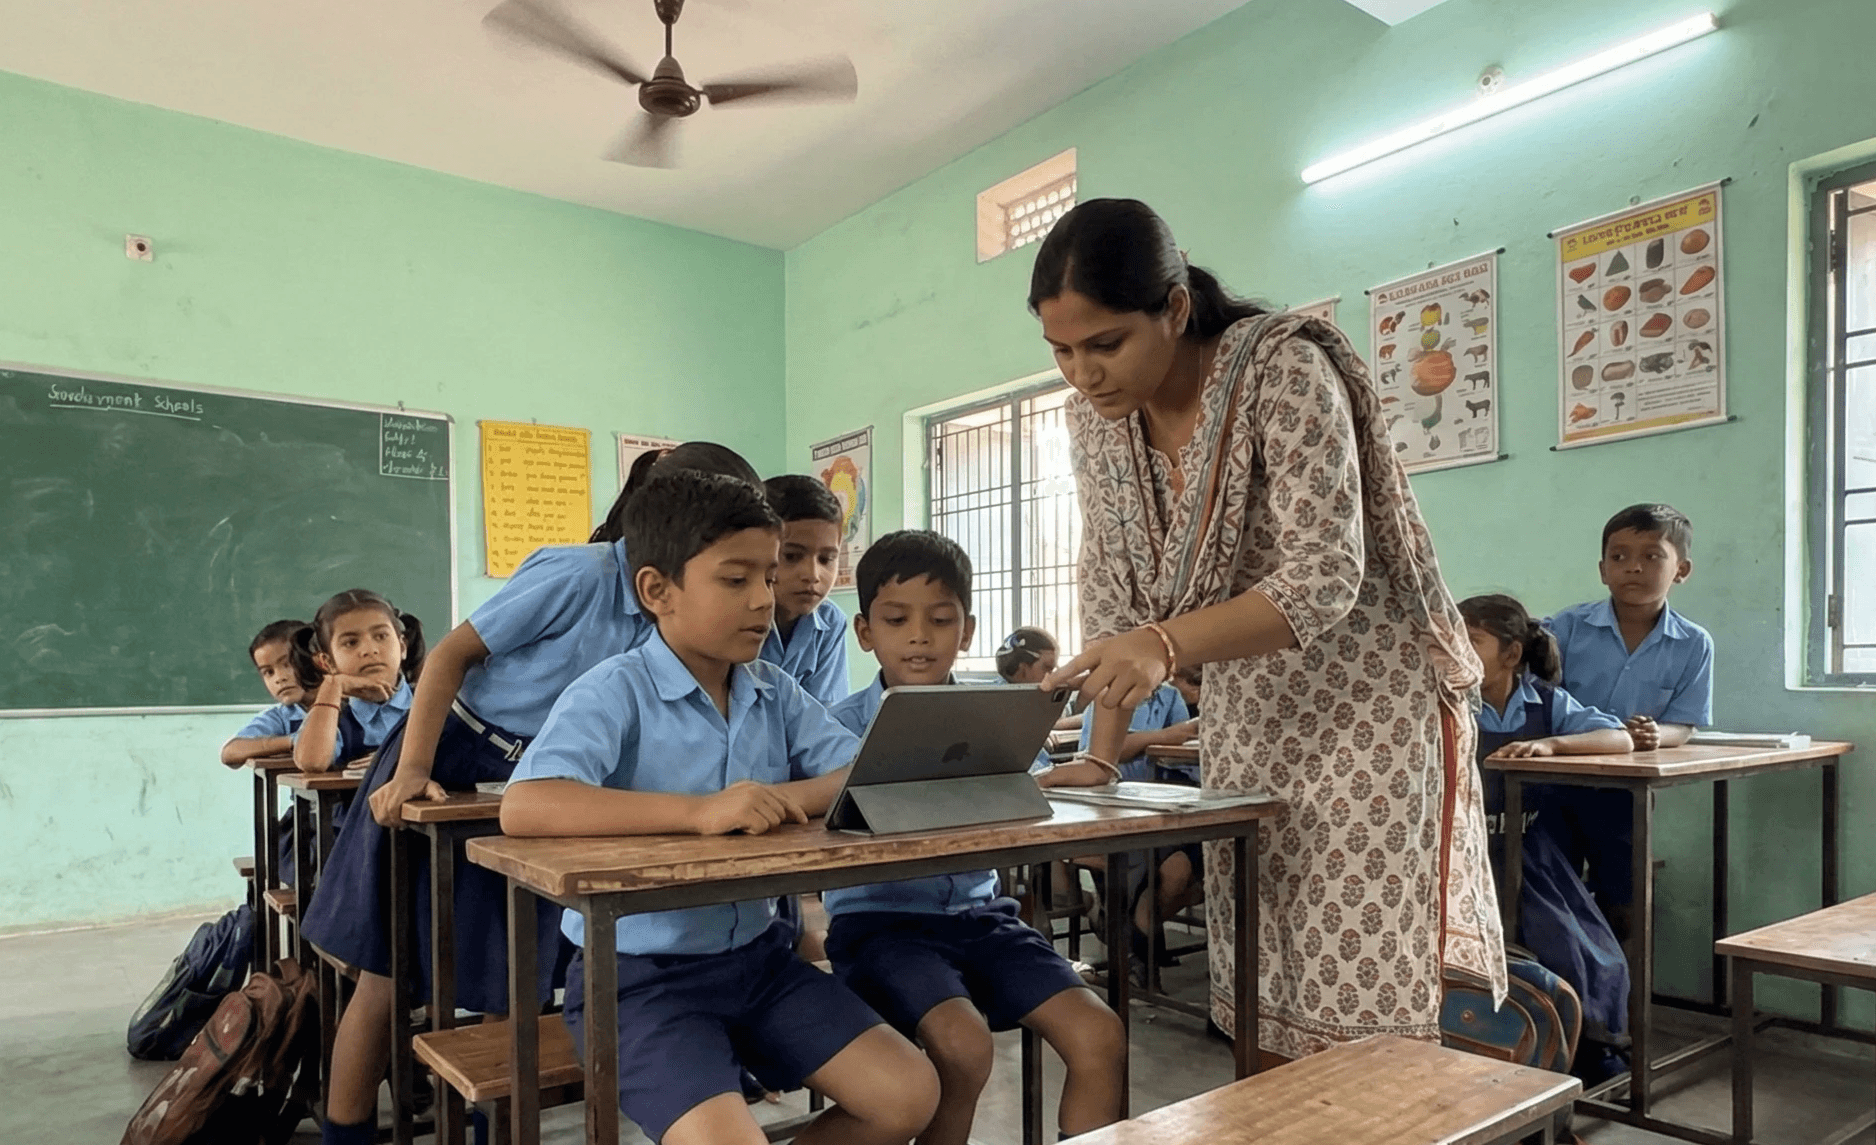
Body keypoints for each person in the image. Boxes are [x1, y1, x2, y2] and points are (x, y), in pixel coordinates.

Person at [1031, 198, 1504, 1061]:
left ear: (1174, 309)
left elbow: (1327, 572)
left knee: (1362, 982)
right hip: (1254, 711)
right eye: (1061, 350)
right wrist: (1102, 754)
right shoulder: (1095, 427)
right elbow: (1111, 600)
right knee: (1262, 963)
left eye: (1105, 344)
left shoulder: (1282, 370)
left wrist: (1168, 645)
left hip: (1367, 704)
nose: (1083, 373)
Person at [302, 443, 760, 1145]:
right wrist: (413, 768)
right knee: (390, 971)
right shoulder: (579, 573)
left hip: (540, 786)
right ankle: (348, 1132)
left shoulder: (679, 602)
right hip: (450, 752)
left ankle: (495, 1131)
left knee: (507, 978)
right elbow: (452, 654)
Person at [502, 473, 939, 1145]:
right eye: (736, 580)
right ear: (657, 590)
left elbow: (860, 764)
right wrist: (698, 811)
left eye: (768, 577)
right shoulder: (614, 690)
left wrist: (789, 797)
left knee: (908, 1093)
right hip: (640, 982)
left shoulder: (773, 688)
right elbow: (526, 805)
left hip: (759, 962)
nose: (764, 600)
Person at [823, 531, 1124, 1145]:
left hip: (984, 918)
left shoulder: (998, 714)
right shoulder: (832, 731)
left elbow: (1020, 796)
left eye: (940, 620)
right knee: (964, 1045)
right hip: (881, 928)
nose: (919, 636)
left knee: (1101, 1035)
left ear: (966, 631)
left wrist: (1056, 782)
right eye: (896, 619)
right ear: (864, 632)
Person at [1461, 594, 1633, 1077]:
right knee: (1527, 950)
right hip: (1467, 858)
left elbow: (1619, 737)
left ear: (1512, 654)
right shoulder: (1449, 704)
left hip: (1531, 856)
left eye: (1471, 641)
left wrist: (1552, 744)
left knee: (1591, 951)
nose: (1454, 650)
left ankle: (1592, 1050)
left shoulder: (1548, 705)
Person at [1543, 503, 1713, 940]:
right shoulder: (1565, 627)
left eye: (1652, 556)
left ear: (1682, 569)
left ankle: (1620, 999)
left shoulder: (1693, 643)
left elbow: (1685, 724)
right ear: (1602, 570)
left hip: (1625, 793)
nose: (1633, 568)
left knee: (1626, 900)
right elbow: (1535, 694)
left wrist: (1659, 736)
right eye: (1619, 557)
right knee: (1549, 894)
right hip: (1551, 783)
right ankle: (1559, 1000)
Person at [287, 590, 424, 776]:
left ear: (402, 647)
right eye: (351, 642)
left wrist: (393, 757)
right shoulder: (332, 714)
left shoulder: (432, 702)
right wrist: (333, 685)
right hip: (351, 805)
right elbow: (312, 762)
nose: (369, 650)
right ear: (327, 662)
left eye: (381, 636)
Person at [759, 474, 850, 707]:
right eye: (791, 556)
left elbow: (825, 716)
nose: (812, 575)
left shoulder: (830, 622)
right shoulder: (736, 615)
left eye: (826, 558)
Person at [219, 619, 318, 767]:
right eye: (268, 672)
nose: (279, 678)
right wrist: (295, 740)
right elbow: (230, 752)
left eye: (288, 664)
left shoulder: (353, 702)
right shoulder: (282, 716)